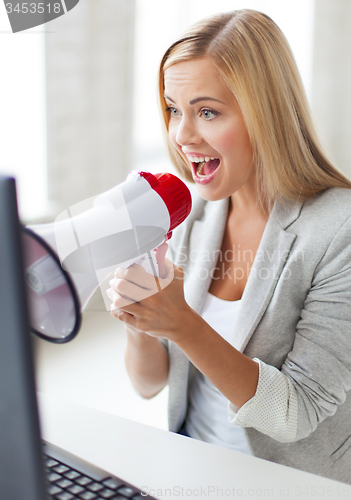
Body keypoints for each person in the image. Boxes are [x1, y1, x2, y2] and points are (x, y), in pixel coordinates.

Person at [107, 10, 351, 484]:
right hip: (189, 472)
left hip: (290, 484)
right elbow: (149, 383)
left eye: (207, 111)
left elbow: (296, 413)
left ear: (267, 111)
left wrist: (181, 323)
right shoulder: (192, 216)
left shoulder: (338, 228)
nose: (182, 135)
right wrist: (139, 318)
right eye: (174, 109)